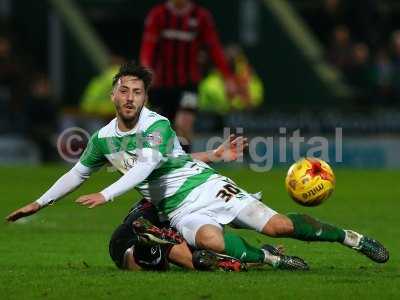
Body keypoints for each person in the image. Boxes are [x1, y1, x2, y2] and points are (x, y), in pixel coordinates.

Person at [7, 63, 388, 272]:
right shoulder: (103, 139)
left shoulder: (156, 125)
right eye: (123, 90)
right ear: (113, 94)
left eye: (137, 92)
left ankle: (348, 238)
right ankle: (271, 259)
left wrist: (107, 194)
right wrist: (40, 203)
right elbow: (76, 173)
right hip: (178, 210)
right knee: (210, 243)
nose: (129, 97)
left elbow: (148, 167)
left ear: (145, 97)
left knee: (281, 225)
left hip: (205, 188)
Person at [140, 0, 237, 152]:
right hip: (161, 85)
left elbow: (215, 48)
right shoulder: (158, 15)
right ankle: (158, 167)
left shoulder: (201, 17)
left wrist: (228, 78)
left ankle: (186, 167)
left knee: (184, 125)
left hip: (189, 83)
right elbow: (147, 47)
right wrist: (146, 72)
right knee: (161, 130)